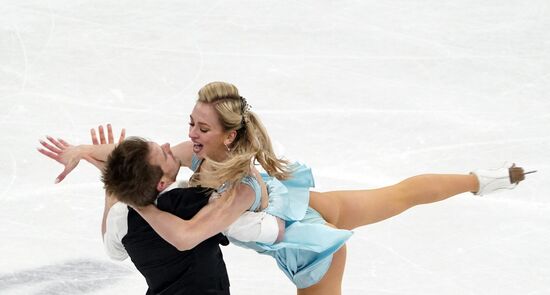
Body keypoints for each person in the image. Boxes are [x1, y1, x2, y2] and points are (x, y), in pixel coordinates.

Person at [39, 82, 534, 295]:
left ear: (228, 136)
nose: (188, 136)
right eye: (189, 123)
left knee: (397, 196)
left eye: (201, 129)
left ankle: (482, 181)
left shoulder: (237, 188)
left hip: (309, 249)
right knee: (396, 194)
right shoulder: (199, 153)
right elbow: (143, 162)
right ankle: (485, 180)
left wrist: (131, 198)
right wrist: (85, 152)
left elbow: (182, 232)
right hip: (300, 205)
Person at [39, 128, 284, 295]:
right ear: (162, 184)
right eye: (164, 153)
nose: (169, 147)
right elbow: (271, 229)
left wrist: (112, 182)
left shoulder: (122, 216)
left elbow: (113, 250)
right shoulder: (193, 203)